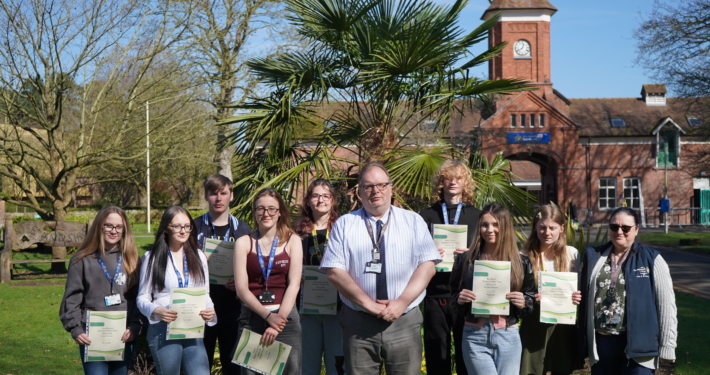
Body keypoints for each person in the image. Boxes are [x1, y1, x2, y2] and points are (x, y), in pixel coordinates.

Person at [320, 162, 441, 375]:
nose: (375, 191)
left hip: (404, 320)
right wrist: (370, 306)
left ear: (391, 187)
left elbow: (428, 266)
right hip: (359, 324)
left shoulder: (413, 221)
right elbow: (335, 272)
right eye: (368, 186)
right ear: (359, 192)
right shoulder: (344, 224)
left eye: (381, 185)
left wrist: (401, 302)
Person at [578, 207, 677, 375]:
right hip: (602, 344)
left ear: (636, 229)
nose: (619, 232)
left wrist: (668, 346)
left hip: (639, 345)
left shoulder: (652, 259)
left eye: (625, 228)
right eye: (614, 227)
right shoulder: (594, 257)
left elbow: (666, 306)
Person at [449, 203, 534, 375]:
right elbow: (453, 297)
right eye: (484, 224)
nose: (490, 230)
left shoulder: (521, 262)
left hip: (508, 335)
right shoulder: (465, 260)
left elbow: (530, 300)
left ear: (505, 227)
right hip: (475, 335)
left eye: (496, 225)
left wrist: (524, 302)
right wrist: (459, 299)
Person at [60, 206, 143, 375]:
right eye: (108, 225)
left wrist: (136, 326)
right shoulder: (81, 260)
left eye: (118, 227)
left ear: (124, 229)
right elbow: (72, 299)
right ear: (99, 226)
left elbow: (139, 298)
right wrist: (76, 329)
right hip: (92, 337)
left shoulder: (133, 260)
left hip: (123, 336)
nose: (114, 231)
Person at [137, 206, 216, 375]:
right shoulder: (151, 258)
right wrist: (155, 310)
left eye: (187, 226)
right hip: (163, 328)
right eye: (177, 226)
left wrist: (210, 310)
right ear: (166, 228)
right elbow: (142, 298)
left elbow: (205, 294)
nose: (183, 231)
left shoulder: (199, 256)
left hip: (192, 329)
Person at [418, 159, 480, 375]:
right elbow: (414, 253)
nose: (453, 182)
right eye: (448, 177)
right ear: (441, 181)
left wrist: (471, 254)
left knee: (467, 358)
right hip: (435, 294)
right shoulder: (426, 216)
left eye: (458, 178)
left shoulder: (478, 216)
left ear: (466, 183)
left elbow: (487, 253)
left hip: (466, 294)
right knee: (437, 356)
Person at [234, 188, 303, 375]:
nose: (266, 213)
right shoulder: (243, 243)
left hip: (285, 319)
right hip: (252, 319)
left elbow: (294, 284)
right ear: (255, 212)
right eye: (260, 209)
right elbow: (241, 289)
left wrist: (278, 320)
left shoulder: (293, 241)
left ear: (280, 211)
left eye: (272, 209)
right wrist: (267, 316)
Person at [193, 175, 251, 374]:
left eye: (223, 193)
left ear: (231, 196)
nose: (218, 199)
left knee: (232, 368)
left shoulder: (243, 230)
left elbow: (253, 268)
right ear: (206, 196)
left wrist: (242, 281)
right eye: (213, 194)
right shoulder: (194, 227)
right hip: (201, 310)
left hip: (233, 310)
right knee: (200, 367)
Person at [519, 205, 582, 375]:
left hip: (562, 324)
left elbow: (575, 288)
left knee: (561, 368)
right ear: (535, 227)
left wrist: (576, 296)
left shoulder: (572, 255)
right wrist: (531, 298)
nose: (547, 232)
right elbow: (518, 291)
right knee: (531, 369)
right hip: (534, 323)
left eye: (552, 228)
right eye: (542, 227)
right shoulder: (524, 255)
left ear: (561, 228)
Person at [294, 179, 345, 375]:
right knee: (307, 365)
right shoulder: (298, 232)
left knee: (337, 364)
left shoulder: (343, 228)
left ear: (333, 200)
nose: (320, 200)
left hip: (338, 307)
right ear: (308, 201)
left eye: (325, 196)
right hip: (307, 309)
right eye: (315, 195)